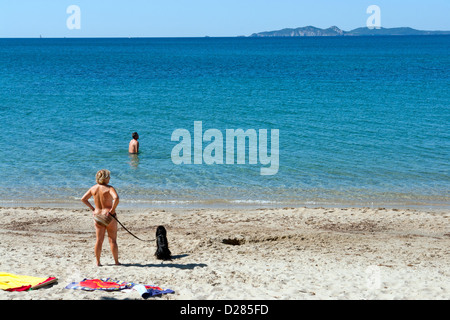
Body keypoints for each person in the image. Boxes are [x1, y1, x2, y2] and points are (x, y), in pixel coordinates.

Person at [81, 169, 120, 266]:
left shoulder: (93, 188)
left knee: (99, 240)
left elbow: (83, 199)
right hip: (108, 216)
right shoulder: (109, 188)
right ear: (105, 178)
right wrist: (112, 210)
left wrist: (92, 208)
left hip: (97, 216)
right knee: (112, 239)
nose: (110, 178)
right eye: (109, 177)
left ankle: (98, 262)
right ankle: (116, 261)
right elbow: (116, 198)